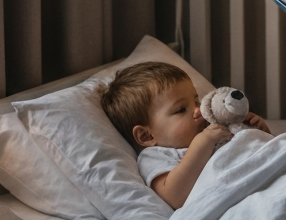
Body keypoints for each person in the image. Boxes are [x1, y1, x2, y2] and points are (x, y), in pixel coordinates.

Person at [101, 62, 271, 209]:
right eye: (181, 109)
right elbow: (175, 197)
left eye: (196, 101)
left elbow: (262, 153)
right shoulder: (155, 156)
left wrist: (259, 132)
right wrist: (202, 144)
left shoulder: (215, 128)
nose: (198, 110)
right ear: (146, 136)